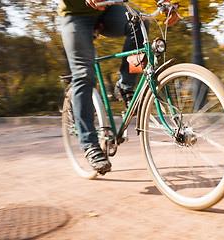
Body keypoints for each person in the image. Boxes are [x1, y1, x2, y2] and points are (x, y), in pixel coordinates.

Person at [58, 0, 179, 175]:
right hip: (75, 14)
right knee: (84, 75)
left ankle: (125, 85)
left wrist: (166, 2)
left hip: (107, 10)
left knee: (141, 21)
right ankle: (90, 144)